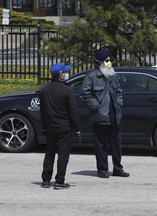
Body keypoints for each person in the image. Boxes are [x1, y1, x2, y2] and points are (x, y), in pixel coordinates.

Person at [80, 49, 129, 178]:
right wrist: (95, 106)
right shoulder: (92, 76)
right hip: (100, 115)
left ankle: (118, 168)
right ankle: (102, 169)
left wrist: (119, 104)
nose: (109, 62)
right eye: (106, 60)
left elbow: (118, 91)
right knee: (100, 144)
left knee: (116, 144)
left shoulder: (112, 74)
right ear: (100, 62)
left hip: (114, 114)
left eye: (109, 60)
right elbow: (85, 94)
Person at [40, 63, 81, 190]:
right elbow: (73, 112)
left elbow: (43, 111)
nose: (66, 74)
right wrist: (77, 128)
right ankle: (59, 181)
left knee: (50, 153)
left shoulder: (45, 90)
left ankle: (46, 180)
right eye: (65, 72)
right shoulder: (67, 90)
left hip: (51, 127)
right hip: (64, 127)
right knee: (63, 155)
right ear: (61, 75)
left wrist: (44, 127)